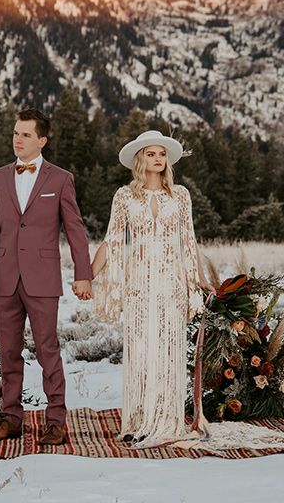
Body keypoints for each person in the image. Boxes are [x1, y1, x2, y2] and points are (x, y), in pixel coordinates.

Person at [92, 130, 215, 447]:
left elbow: (189, 242)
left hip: (172, 283)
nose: (158, 159)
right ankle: (137, 421)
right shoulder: (124, 197)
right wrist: (86, 274)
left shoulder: (180, 196)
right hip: (138, 284)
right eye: (151, 154)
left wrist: (200, 281)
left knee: (168, 351)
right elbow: (113, 240)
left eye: (162, 154)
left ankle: (168, 421)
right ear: (140, 159)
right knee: (141, 350)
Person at [0, 108, 93, 446]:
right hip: (4, 279)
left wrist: (83, 274)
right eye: (16, 132)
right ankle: (11, 418)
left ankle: (55, 421)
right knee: (8, 351)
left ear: (42, 140)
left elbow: (75, 229)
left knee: (47, 350)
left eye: (26, 134)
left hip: (43, 278)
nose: (18, 139)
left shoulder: (60, 179)